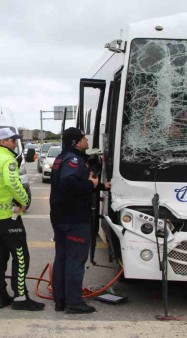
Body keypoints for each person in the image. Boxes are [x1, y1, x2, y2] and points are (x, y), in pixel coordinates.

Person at [0, 128, 43, 311]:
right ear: (3, 142)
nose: (14, 143)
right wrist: (25, 201)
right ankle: (20, 297)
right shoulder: (8, 160)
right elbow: (12, 183)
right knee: (20, 256)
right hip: (9, 218)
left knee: (0, 256)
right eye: (12, 140)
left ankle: (1, 296)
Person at [49, 127, 109, 314]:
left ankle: (61, 300)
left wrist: (98, 187)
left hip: (60, 216)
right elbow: (69, 184)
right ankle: (74, 302)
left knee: (62, 257)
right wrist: (91, 184)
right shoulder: (74, 160)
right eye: (84, 138)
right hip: (74, 218)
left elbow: (68, 185)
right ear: (76, 142)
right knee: (75, 259)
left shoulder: (62, 157)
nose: (87, 140)